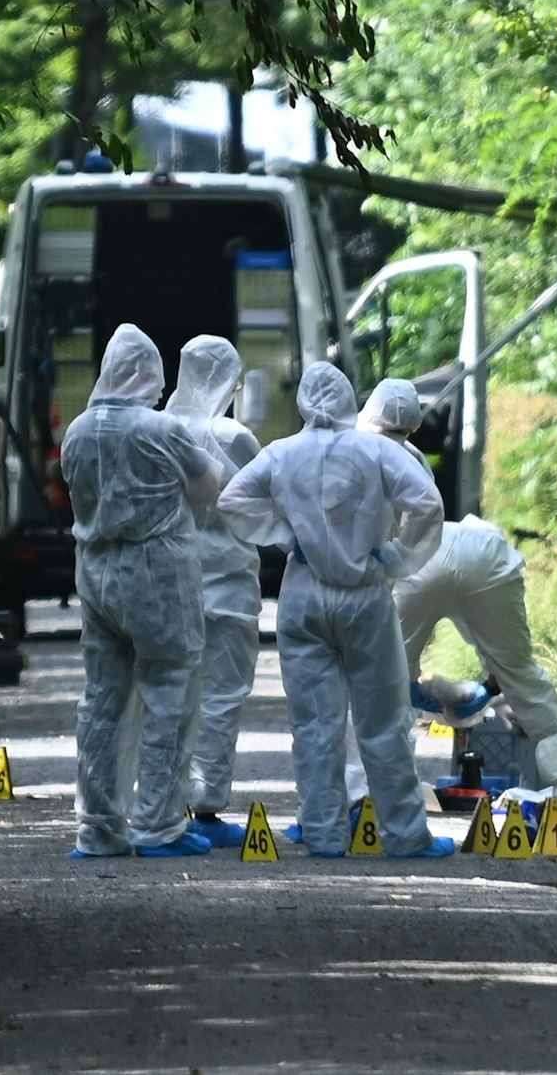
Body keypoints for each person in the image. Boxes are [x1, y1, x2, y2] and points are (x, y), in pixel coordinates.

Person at [217, 364, 455, 859]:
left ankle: (325, 835)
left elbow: (232, 498)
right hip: (364, 593)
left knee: (314, 725)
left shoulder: (282, 452)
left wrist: (285, 536)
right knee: (382, 722)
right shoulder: (378, 451)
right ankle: (406, 837)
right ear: (352, 400)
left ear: (302, 401)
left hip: (302, 593)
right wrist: (399, 556)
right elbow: (427, 505)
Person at [353, 379, 557, 810]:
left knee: (385, 682)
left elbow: (393, 535)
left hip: (417, 564)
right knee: (521, 672)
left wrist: (416, 688)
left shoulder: (350, 447)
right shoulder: (414, 455)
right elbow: (429, 514)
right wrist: (489, 687)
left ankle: (384, 795)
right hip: (486, 555)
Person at [61, 324, 223, 858]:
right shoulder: (162, 430)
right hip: (156, 574)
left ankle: (98, 830)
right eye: (154, 377)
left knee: (102, 701)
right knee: (169, 692)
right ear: (141, 373)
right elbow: (206, 488)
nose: (159, 388)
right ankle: (158, 825)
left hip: (95, 572)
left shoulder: (78, 432)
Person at [163, 337, 264, 850]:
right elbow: (268, 493)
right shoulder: (236, 435)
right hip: (229, 583)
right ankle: (205, 807)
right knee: (222, 696)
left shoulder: (159, 431)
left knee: (169, 694)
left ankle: (162, 801)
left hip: (172, 582)